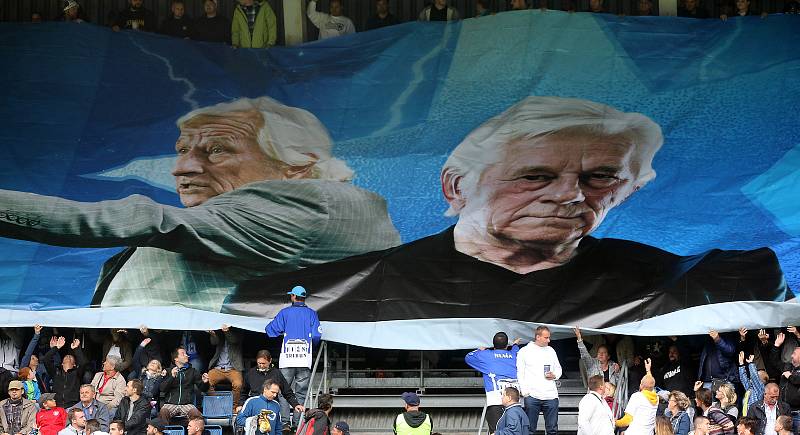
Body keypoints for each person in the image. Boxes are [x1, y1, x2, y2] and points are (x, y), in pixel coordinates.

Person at [221, 95, 788, 332]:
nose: (569, 195)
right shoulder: (303, 293)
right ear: (456, 185)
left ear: (627, 191)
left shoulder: (700, 283)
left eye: (600, 178)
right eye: (535, 176)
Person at [0, 96, 401, 314]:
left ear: (295, 167)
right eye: (182, 150)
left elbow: (144, 219)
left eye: (218, 150)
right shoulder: (321, 207)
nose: (183, 168)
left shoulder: (310, 207)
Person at [265, 286, 321, 429]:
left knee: (283, 392)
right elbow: (316, 335)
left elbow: (270, 330)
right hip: (304, 359)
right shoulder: (312, 314)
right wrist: (310, 346)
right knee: (301, 393)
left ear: (294, 297)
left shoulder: (285, 313)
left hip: (287, 359)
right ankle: (298, 423)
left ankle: (285, 423)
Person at [464, 332, 519, 433]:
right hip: (514, 403)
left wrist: (479, 350)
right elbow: (516, 350)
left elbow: (468, 358)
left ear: (493, 346)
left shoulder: (485, 355)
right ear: (507, 345)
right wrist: (515, 345)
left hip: (495, 402)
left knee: (496, 432)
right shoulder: (514, 354)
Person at [517, 326, 561, 435]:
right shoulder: (524, 351)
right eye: (546, 338)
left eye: (549, 337)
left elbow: (559, 369)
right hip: (532, 395)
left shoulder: (551, 350)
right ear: (538, 337)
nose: (549, 340)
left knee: (552, 430)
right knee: (530, 429)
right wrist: (525, 392)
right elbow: (520, 372)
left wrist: (554, 375)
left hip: (550, 395)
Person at [242, 350, 302, 419]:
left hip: (272, 406)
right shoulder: (251, 373)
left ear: (270, 361)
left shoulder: (276, 373)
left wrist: (295, 404)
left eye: (264, 363)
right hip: (255, 406)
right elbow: (244, 391)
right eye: (259, 363)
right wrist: (241, 404)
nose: (261, 365)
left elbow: (287, 391)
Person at [158, 348, 208, 421]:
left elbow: (203, 389)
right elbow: (162, 389)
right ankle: (165, 432)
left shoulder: (192, 371)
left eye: (186, 354)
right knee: (163, 411)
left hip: (186, 404)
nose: (187, 355)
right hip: (171, 403)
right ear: (176, 358)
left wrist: (205, 382)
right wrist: (172, 377)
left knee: (196, 414)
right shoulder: (168, 371)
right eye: (183, 354)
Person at [616, 360, 658, 435]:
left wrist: (615, 422)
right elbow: (650, 383)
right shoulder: (656, 398)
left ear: (641, 385)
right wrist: (648, 370)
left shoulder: (637, 397)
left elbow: (627, 421)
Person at [42, 337, 87, 408]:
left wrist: (76, 348)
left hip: (73, 406)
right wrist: (56, 347)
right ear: (62, 363)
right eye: (66, 357)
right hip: (57, 406)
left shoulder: (76, 373)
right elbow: (46, 359)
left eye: (71, 357)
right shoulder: (56, 372)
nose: (68, 356)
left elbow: (83, 363)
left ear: (74, 364)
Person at [206, 325, 243, 410]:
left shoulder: (238, 329)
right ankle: (216, 406)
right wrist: (213, 334)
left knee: (238, 384)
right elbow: (214, 342)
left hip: (233, 369)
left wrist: (227, 331)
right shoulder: (219, 330)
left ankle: (233, 408)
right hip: (218, 368)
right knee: (206, 382)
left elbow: (234, 340)